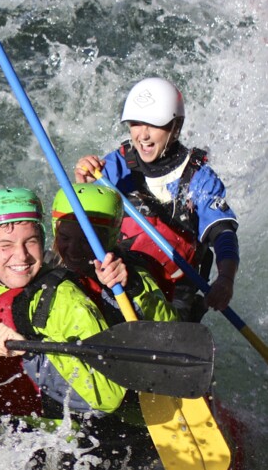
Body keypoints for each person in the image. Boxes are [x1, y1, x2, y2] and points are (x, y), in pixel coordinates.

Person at [0, 188, 126, 460]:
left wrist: (32, 352)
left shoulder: (65, 299)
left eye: (30, 242)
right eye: (5, 246)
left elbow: (107, 397)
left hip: (46, 441)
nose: (21, 256)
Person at [75, 77, 239, 322]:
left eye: (154, 125)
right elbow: (84, 221)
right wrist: (83, 184)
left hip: (173, 292)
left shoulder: (198, 178)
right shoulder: (117, 164)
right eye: (136, 124)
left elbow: (224, 234)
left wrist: (225, 280)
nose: (143, 135)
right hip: (119, 273)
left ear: (176, 126)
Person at [51, 183, 178, 325]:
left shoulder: (134, 274)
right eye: (64, 238)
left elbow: (169, 327)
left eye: (85, 240)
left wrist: (131, 287)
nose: (73, 249)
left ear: (109, 239)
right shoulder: (45, 267)